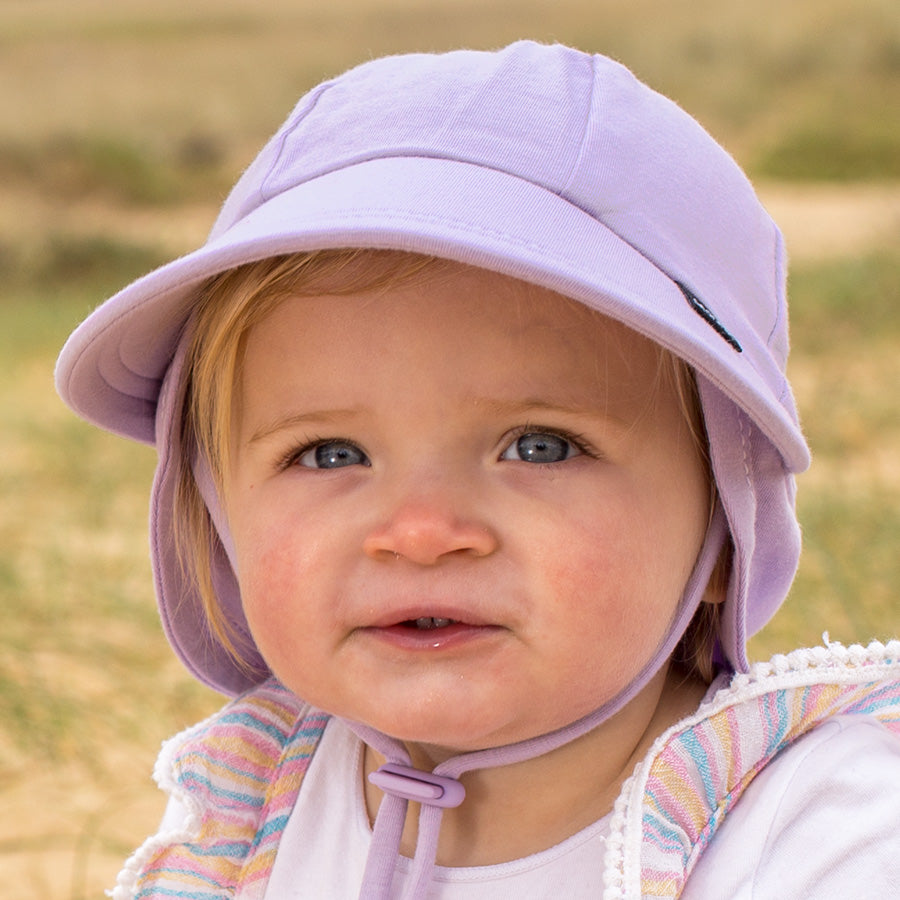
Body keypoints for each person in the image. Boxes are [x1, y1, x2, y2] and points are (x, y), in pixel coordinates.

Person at [55, 41, 899, 899]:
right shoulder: (244, 812)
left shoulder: (819, 833)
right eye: (329, 454)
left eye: (540, 446)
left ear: (726, 525)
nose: (422, 533)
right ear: (217, 513)